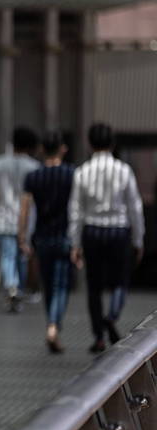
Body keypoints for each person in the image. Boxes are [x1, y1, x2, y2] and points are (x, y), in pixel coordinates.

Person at [68, 123, 145, 353]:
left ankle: (99, 337)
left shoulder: (82, 171)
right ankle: (111, 316)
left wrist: (75, 243)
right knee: (120, 280)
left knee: (94, 285)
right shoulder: (124, 170)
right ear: (112, 143)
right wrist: (138, 239)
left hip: (92, 230)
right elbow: (135, 207)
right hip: (118, 230)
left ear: (89, 144)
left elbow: (75, 210)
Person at [18, 131, 74, 353]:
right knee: (62, 285)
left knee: (49, 285)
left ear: (42, 149)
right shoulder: (71, 174)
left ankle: (52, 324)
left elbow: (25, 209)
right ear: (62, 148)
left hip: (41, 237)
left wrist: (22, 236)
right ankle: (53, 326)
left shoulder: (34, 177)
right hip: (65, 236)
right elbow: (77, 207)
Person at [0, 127, 41, 312]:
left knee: (7, 256)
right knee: (21, 258)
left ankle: (11, 287)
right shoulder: (34, 166)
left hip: (2, 217)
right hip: (26, 221)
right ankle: (17, 289)